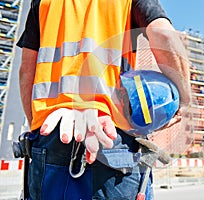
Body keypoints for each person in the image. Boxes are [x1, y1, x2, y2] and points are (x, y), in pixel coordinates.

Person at [17, 0, 191, 199]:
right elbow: (163, 35)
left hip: (54, 130)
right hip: (110, 134)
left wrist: (38, 129)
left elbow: (26, 72)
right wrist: (184, 100)